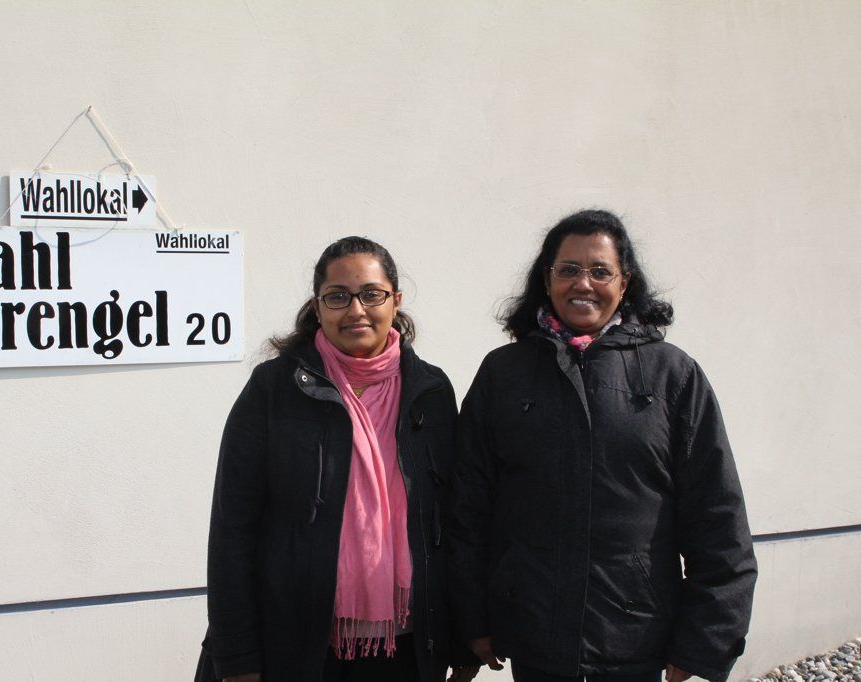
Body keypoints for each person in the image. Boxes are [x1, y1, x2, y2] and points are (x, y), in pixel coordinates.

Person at [446, 210, 757, 682]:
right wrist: (472, 619)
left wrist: (704, 641)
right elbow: (468, 507)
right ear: (547, 278)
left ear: (624, 282)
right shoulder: (503, 374)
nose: (583, 284)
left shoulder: (673, 375)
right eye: (568, 269)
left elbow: (718, 516)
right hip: (533, 635)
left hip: (636, 638)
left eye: (600, 271)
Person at [201, 237, 473, 681]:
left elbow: (455, 520)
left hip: (409, 646)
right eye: (338, 296)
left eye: (371, 294)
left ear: (396, 301)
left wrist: (464, 636)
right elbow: (232, 528)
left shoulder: (431, 391)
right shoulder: (274, 389)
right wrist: (236, 657)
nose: (356, 310)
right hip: (298, 646)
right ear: (318, 306)